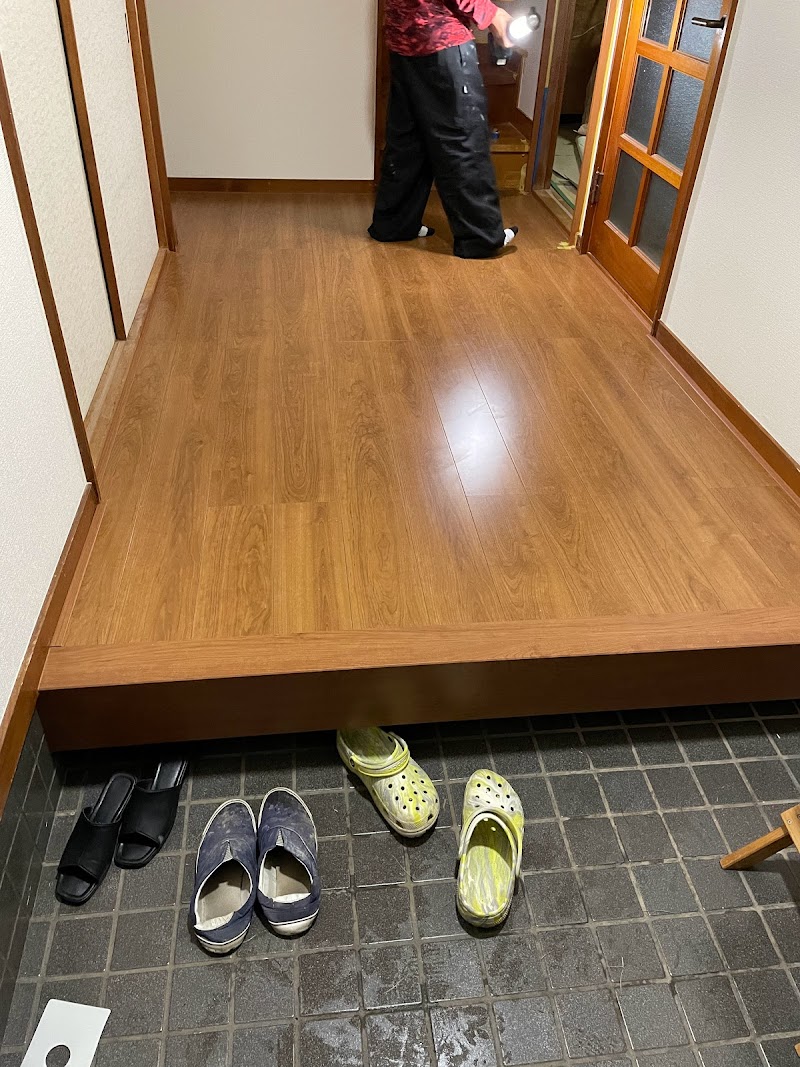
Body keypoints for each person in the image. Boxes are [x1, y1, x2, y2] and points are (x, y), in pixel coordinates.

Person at [369, 0, 520, 259]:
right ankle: (480, 238)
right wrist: (492, 14)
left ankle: (394, 224)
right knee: (463, 139)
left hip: (402, 37)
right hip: (442, 39)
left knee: (409, 140)